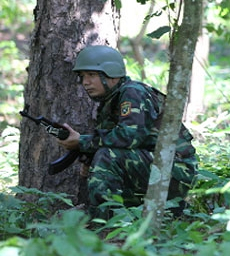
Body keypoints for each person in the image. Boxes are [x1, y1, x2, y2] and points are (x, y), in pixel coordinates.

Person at [57, 45, 198, 218]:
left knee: (106, 156)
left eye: (92, 75)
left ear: (112, 74)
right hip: (160, 168)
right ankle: (117, 215)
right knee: (101, 156)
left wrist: (82, 141)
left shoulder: (132, 93)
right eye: (82, 76)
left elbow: (130, 137)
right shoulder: (112, 100)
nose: (85, 82)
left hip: (176, 171)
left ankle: (104, 221)